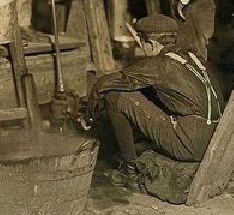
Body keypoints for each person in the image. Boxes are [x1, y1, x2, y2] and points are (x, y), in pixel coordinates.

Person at [85, 15, 224, 191]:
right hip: (214, 138)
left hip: (189, 144)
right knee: (150, 91)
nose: (142, 48)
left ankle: (130, 171)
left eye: (141, 43)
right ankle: (136, 141)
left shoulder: (159, 64)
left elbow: (102, 84)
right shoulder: (193, 57)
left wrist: (89, 115)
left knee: (115, 95)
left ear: (151, 43)